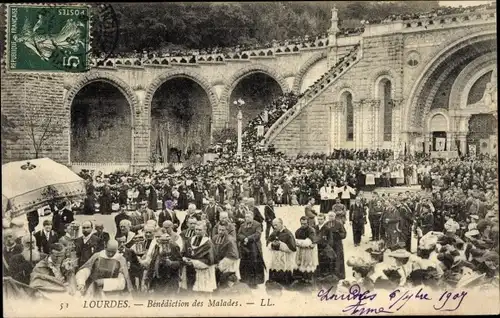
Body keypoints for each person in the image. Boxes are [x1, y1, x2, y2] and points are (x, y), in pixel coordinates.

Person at [180, 221, 217, 294]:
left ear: (205, 230)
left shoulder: (208, 243)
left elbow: (210, 261)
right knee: (190, 291)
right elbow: (184, 252)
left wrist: (193, 262)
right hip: (190, 270)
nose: (197, 232)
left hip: (203, 272)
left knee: (202, 293)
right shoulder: (190, 240)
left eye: (200, 230)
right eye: (196, 229)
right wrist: (184, 258)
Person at [237, 211, 265, 289]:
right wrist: (244, 238)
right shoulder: (242, 225)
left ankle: (254, 282)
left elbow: (258, 234)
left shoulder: (257, 224)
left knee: (254, 264)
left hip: (254, 247)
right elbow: (239, 234)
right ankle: (245, 280)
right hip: (245, 247)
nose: (247, 218)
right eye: (246, 217)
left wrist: (248, 238)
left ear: (252, 217)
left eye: (249, 217)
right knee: (244, 263)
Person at [267, 218, 297, 287]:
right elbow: (268, 242)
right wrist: (272, 245)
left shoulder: (288, 233)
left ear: (281, 224)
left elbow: (293, 248)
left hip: (284, 261)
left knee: (284, 284)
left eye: (276, 225)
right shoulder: (274, 232)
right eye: (273, 225)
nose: (274, 227)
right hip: (274, 260)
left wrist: (280, 245)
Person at [213, 221, 240, 286]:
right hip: (216, 264)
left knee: (225, 284)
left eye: (223, 230)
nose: (220, 232)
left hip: (227, 266)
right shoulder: (215, 238)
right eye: (219, 229)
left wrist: (220, 265)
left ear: (227, 230)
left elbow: (233, 256)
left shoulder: (230, 240)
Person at [294, 216, 318, 282]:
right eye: (301, 223)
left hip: (309, 253)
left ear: (308, 223)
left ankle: (309, 281)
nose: (303, 225)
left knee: (308, 267)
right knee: (300, 265)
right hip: (300, 252)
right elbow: (295, 241)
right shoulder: (298, 231)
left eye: (304, 224)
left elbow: (309, 242)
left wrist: (299, 242)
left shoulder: (311, 230)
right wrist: (302, 243)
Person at [313, 214, 336, 278]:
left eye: (321, 219)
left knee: (324, 262)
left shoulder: (327, 228)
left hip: (324, 248)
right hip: (316, 248)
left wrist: (327, 247)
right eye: (318, 219)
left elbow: (330, 240)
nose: (319, 221)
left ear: (324, 219)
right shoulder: (314, 227)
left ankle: (324, 275)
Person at [327, 212, 346, 280]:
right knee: (330, 259)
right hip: (329, 244)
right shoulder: (326, 224)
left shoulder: (339, 224)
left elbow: (344, 234)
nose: (330, 217)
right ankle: (331, 275)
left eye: (332, 216)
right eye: (329, 216)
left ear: (335, 217)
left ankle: (339, 275)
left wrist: (337, 234)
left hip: (337, 244)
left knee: (338, 259)